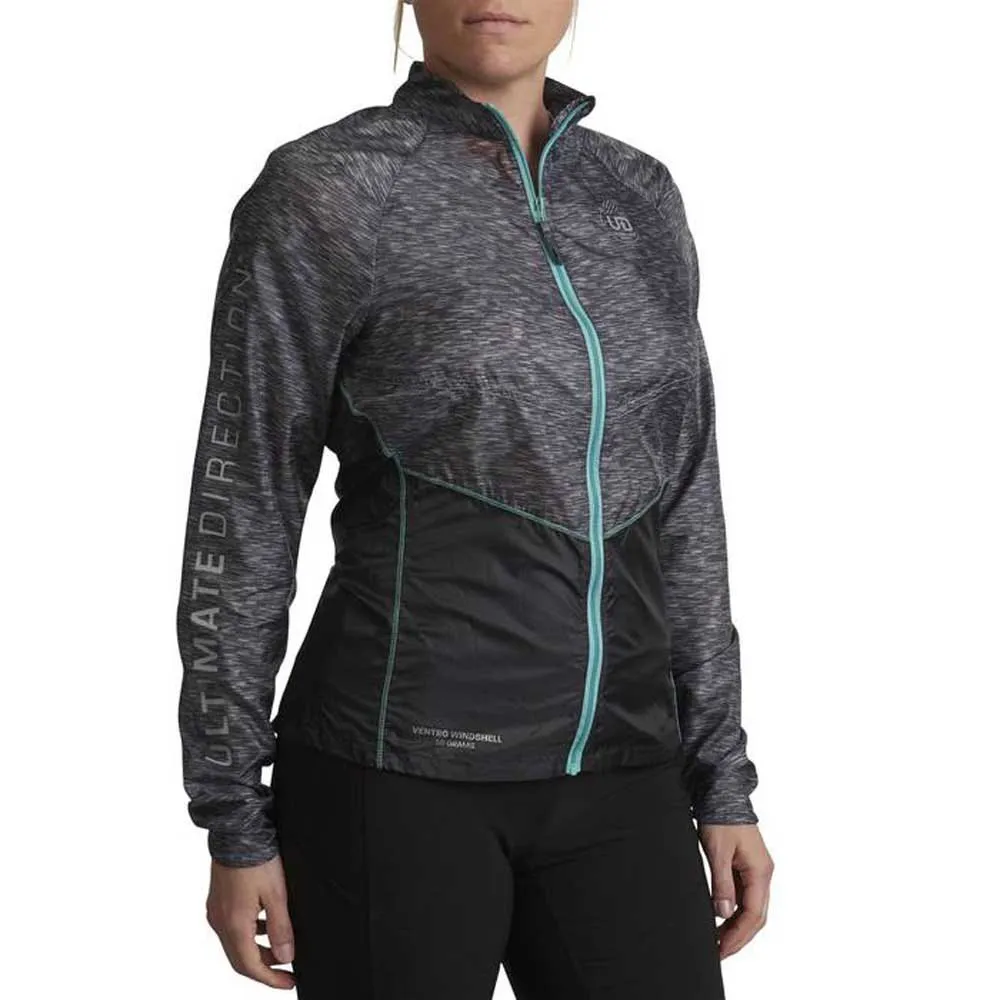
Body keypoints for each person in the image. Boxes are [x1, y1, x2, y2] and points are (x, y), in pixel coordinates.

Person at [175, 1, 775, 996]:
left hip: (622, 767)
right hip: (393, 774)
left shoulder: (636, 194)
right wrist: (233, 814)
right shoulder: (330, 187)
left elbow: (685, 497)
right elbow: (244, 504)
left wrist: (722, 779)